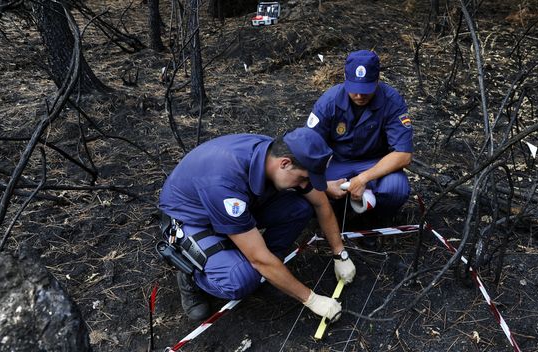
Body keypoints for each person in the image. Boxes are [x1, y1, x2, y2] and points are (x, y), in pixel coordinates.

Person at [158, 128, 356, 322]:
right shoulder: (224, 183)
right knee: (240, 280)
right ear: (285, 164)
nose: (305, 185)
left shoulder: (277, 154)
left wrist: (340, 253)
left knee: (299, 208)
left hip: (234, 207)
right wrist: (311, 300)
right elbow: (259, 259)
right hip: (192, 219)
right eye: (304, 179)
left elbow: (320, 203)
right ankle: (191, 277)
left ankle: (271, 270)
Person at [305, 50, 413, 229]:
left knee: (396, 189)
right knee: (311, 184)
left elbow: (403, 154)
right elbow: (307, 145)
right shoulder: (329, 101)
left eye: (366, 90)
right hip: (337, 162)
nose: (360, 96)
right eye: (354, 89)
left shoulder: (392, 101)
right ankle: (334, 214)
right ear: (345, 80)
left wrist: (363, 179)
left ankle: (373, 219)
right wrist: (323, 185)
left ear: (377, 81)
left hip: (375, 162)